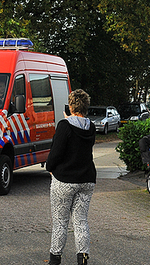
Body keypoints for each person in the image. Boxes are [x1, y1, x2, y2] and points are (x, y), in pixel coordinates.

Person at [45, 89, 96, 265]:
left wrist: (50, 168)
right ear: (86, 106)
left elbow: (56, 152)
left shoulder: (64, 125)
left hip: (65, 180)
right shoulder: (91, 126)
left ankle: (55, 259)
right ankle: (82, 259)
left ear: (70, 106)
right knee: (81, 220)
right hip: (87, 179)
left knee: (60, 222)